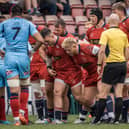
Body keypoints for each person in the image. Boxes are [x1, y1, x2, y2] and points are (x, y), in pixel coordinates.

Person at [0, 5, 44, 126]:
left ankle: (16, 120)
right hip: (23, 57)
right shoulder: (28, 24)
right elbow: (41, 39)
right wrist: (33, 50)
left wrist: (0, 50)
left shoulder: (4, 24)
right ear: (22, 13)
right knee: (24, 86)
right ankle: (21, 112)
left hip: (9, 57)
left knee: (13, 90)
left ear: (10, 13)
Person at [40, 28, 83, 124]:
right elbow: (48, 57)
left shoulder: (64, 42)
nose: (46, 43)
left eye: (47, 41)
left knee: (78, 97)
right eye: (45, 42)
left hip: (73, 72)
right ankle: (58, 119)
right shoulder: (49, 46)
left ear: (51, 36)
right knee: (57, 92)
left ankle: (95, 112)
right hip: (60, 73)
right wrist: (49, 67)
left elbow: (78, 50)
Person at [93, 13, 129, 124]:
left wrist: (99, 65)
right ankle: (117, 120)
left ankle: (97, 120)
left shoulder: (106, 33)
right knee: (119, 93)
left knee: (103, 93)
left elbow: (102, 50)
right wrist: (125, 61)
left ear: (108, 22)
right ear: (118, 22)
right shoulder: (123, 34)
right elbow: (127, 50)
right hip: (122, 64)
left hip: (111, 65)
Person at [112, 2, 129, 123]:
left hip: (126, 57)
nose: (113, 14)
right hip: (120, 58)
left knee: (126, 86)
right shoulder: (118, 24)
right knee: (123, 88)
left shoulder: (127, 22)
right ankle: (124, 116)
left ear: (120, 11)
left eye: (114, 12)